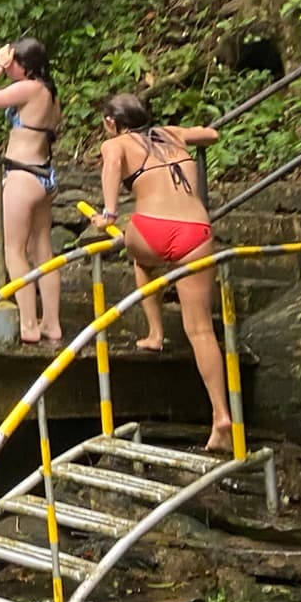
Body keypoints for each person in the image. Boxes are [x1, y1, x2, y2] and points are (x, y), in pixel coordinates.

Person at [89, 95, 233, 450]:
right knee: (201, 329)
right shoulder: (171, 133)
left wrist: (108, 214)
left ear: (112, 122)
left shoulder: (115, 144)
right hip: (197, 233)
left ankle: (155, 333)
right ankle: (221, 415)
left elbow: (112, 165)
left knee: (141, 260)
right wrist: (190, 137)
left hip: (151, 231)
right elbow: (211, 135)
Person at [0, 37, 62, 343]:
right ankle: (51, 323)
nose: (10, 69)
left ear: (26, 65)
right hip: (43, 174)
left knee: (14, 251)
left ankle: (29, 325)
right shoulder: (50, 93)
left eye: (13, 64)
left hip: (23, 176)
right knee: (43, 251)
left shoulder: (29, 88)